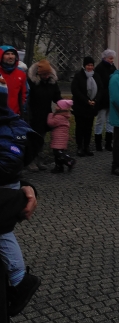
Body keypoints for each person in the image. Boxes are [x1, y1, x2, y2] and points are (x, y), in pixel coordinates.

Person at [0, 78, 42, 317]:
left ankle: (19, 278)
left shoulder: (10, 129)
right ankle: (19, 278)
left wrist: (25, 188)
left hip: (7, 188)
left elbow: (11, 160)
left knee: (4, 233)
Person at [25, 59, 62, 171]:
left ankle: (39, 160)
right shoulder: (32, 82)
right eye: (44, 74)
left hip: (46, 114)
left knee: (41, 139)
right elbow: (27, 98)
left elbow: (57, 96)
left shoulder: (52, 82)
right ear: (38, 74)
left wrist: (63, 104)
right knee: (32, 140)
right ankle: (30, 161)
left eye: (48, 74)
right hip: (33, 115)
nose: (46, 76)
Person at [71, 56, 101, 157]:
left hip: (91, 107)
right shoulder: (78, 76)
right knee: (80, 127)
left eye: (92, 65)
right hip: (80, 106)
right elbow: (75, 90)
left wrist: (95, 100)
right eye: (88, 65)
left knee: (89, 128)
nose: (90, 67)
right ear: (84, 66)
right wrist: (86, 100)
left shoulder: (96, 76)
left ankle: (86, 147)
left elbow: (101, 89)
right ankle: (79, 147)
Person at [93, 49, 117, 152]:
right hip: (102, 99)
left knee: (110, 121)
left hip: (111, 98)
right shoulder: (99, 68)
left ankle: (108, 143)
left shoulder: (113, 67)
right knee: (100, 120)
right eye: (110, 58)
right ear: (105, 58)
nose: (112, 60)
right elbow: (99, 84)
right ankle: (98, 143)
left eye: (113, 58)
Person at [46, 99, 76, 173]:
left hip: (58, 139)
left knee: (58, 153)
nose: (56, 107)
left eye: (57, 106)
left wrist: (50, 115)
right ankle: (59, 167)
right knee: (57, 155)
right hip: (62, 138)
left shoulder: (59, 117)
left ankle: (69, 160)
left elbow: (51, 123)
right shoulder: (64, 116)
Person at [0, 46, 27, 117]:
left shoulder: (21, 73)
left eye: (12, 54)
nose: (11, 56)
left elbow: (24, 94)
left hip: (14, 115)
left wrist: (21, 111)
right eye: (7, 54)